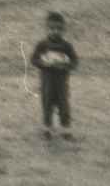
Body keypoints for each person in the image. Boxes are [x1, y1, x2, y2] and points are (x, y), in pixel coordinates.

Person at [31, 11, 79, 140]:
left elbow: (75, 62)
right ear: (47, 29)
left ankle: (66, 131)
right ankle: (47, 130)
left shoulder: (66, 46)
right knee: (47, 106)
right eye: (52, 28)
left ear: (63, 30)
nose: (55, 31)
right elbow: (33, 60)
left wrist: (65, 65)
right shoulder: (42, 45)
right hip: (47, 83)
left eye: (58, 29)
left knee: (64, 107)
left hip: (62, 83)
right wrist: (45, 63)